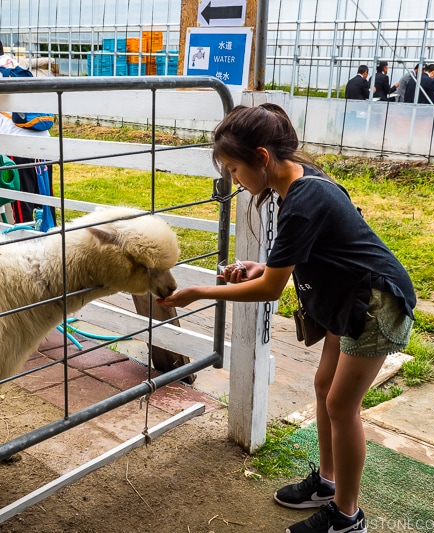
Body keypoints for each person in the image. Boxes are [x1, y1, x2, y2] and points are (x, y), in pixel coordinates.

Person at [157, 104, 416, 533]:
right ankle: (329, 485)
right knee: (323, 387)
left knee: (341, 404)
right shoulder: (296, 183)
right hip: (345, 296)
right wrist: (264, 268)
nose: (234, 180)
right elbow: (302, 257)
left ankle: (348, 518)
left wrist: (200, 292)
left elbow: (270, 291)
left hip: (373, 303)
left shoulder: (304, 197)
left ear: (261, 157)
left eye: (235, 169)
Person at [0, 32, 56, 226]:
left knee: (23, 206)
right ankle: (49, 238)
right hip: (44, 144)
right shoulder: (19, 69)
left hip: (19, 149)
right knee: (45, 201)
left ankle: (26, 244)